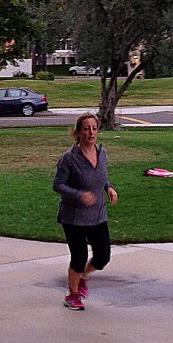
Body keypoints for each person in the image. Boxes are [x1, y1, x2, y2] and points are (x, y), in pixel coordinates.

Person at [53, 112, 118, 311]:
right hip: (73, 216)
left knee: (103, 257)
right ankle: (72, 294)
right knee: (79, 257)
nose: (91, 132)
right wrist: (79, 194)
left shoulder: (101, 152)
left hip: (97, 213)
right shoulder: (69, 158)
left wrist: (108, 187)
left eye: (94, 128)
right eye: (86, 128)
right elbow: (58, 185)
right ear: (78, 132)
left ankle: (81, 276)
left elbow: (99, 176)